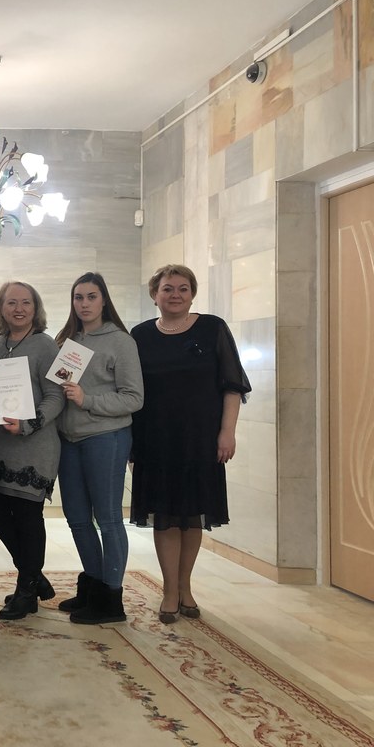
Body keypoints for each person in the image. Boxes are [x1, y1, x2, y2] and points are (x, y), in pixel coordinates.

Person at [131, 264, 250, 624]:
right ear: (155, 295)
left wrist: (227, 432)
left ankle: (186, 587)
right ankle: (170, 590)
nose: (175, 295)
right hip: (155, 439)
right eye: (167, 288)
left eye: (183, 288)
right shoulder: (140, 335)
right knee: (165, 516)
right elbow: (132, 390)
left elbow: (232, 386)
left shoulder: (213, 328)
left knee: (192, 514)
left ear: (193, 294)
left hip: (200, 438)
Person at [54, 272, 144, 624]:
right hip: (69, 439)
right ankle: (93, 586)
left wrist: (87, 399)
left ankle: (111, 599)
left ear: (104, 300)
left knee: (107, 518)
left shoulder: (121, 341)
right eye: (78, 297)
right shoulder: (67, 340)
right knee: (77, 518)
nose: (84, 303)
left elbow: (134, 398)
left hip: (106, 437)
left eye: (91, 296)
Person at [0, 282, 65, 619]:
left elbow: (56, 396)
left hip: (34, 444)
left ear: (35, 307)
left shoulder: (45, 345)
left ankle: (26, 590)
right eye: (11, 302)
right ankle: (33, 575)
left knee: (28, 518)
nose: (19, 309)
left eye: (26, 302)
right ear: (1, 307)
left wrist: (29, 423)